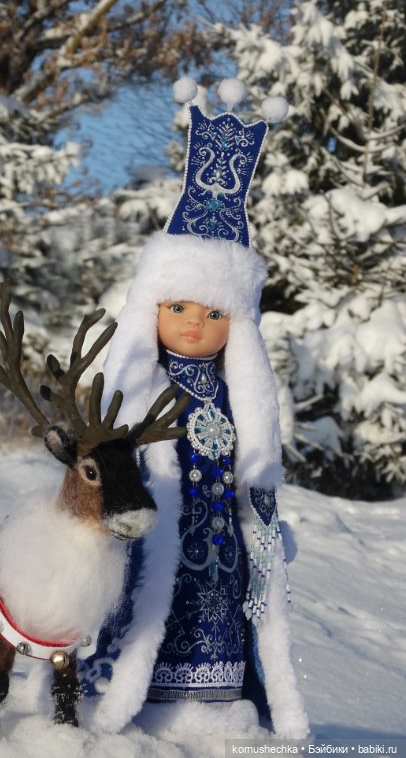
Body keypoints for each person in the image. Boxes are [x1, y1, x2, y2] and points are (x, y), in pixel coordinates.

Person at [80, 82, 309, 740]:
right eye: (178, 306)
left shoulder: (236, 393)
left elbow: (252, 467)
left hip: (220, 551)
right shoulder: (137, 387)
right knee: (143, 611)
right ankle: (127, 696)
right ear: (151, 307)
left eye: (214, 313)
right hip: (150, 540)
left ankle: (217, 705)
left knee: (219, 613)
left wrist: (261, 520)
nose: (193, 323)